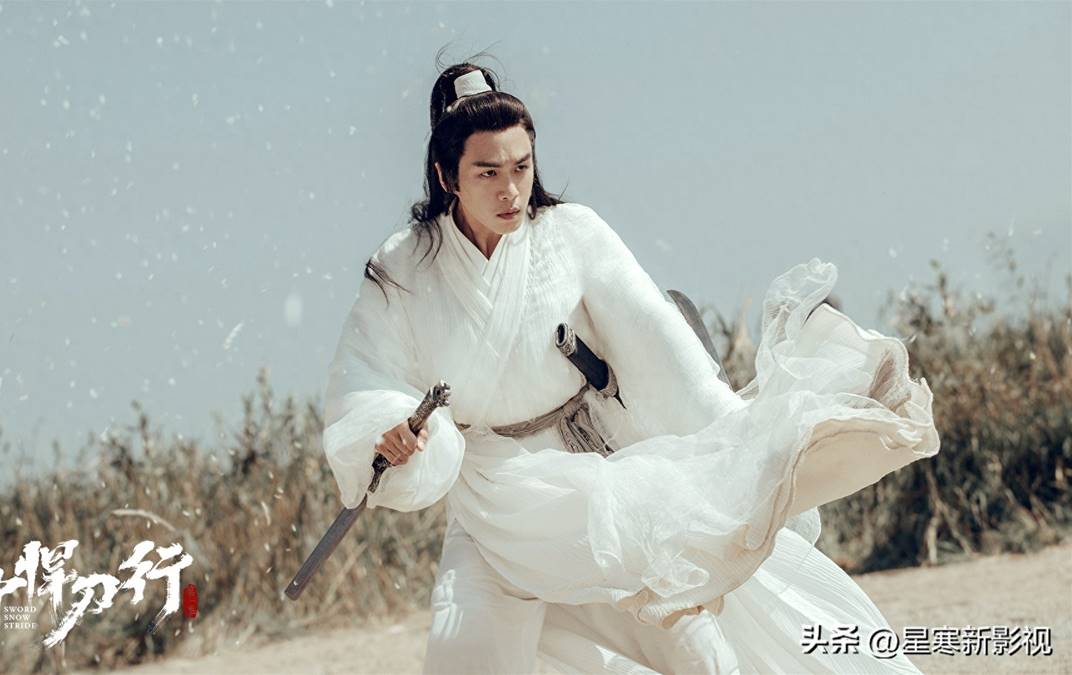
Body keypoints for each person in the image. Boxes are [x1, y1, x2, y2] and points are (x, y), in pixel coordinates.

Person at [322, 62, 940, 674]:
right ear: (445, 174)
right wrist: (398, 432)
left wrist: (751, 444)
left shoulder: (571, 235)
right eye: (487, 172)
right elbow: (368, 377)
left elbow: (661, 346)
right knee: (467, 652)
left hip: (601, 472)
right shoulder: (403, 268)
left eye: (521, 167)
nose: (510, 190)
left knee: (694, 643)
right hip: (493, 497)